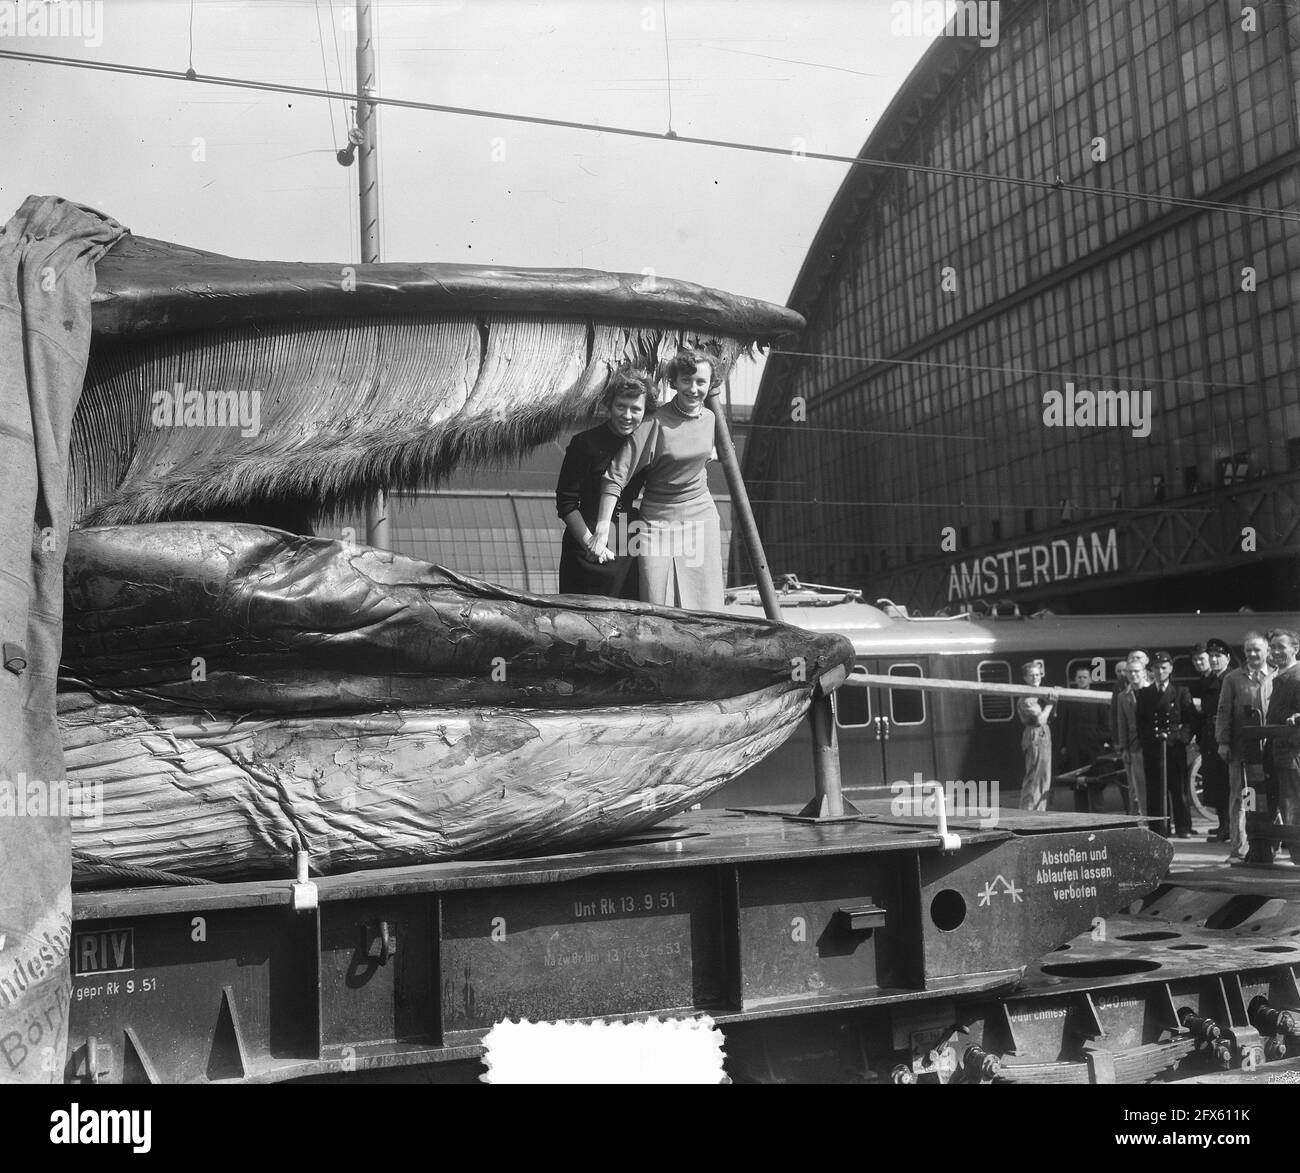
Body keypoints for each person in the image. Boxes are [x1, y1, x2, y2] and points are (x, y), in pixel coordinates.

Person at [593, 348, 724, 611]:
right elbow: (615, 477)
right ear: (675, 381)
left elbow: (708, 458)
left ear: (711, 385)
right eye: (686, 380)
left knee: (703, 601)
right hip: (657, 521)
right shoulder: (654, 423)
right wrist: (602, 528)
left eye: (701, 382)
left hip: (700, 515)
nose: (693, 388)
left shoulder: (711, 418)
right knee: (656, 597)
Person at [555, 370, 656, 598]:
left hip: (628, 539)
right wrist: (589, 542)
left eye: (635, 409)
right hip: (585, 541)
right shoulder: (584, 443)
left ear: (645, 412)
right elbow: (566, 503)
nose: (627, 415)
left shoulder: (645, 445)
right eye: (621, 406)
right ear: (609, 405)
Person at [1215, 632, 1273, 863]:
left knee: (1268, 799)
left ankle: (1269, 847)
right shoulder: (1233, 679)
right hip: (1242, 751)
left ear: (1267, 652)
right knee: (1242, 798)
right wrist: (1223, 741)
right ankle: (1239, 848)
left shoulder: (1276, 675)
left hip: (1271, 749)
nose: (1252, 654)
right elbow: (1223, 711)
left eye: (1257, 650)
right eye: (1248, 650)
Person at [1137, 650, 1196, 838]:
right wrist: (1148, 740)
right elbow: (1141, 722)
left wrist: (1181, 738)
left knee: (1178, 789)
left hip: (1174, 748)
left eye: (1164, 668)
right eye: (1156, 668)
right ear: (1151, 670)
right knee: (1154, 789)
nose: (1160, 671)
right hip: (1153, 749)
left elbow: (1190, 720)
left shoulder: (1180, 692)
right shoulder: (1145, 693)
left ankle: (1183, 827)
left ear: (1170, 669)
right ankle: (1159, 828)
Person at [1263, 629, 1300, 865]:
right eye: (1273, 647)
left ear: (1295, 648)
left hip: (1292, 751)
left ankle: (1298, 857)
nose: (1276, 652)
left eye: (1281, 647)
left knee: (1293, 804)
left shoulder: (1297, 677)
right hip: (1275, 749)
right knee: (1280, 803)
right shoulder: (1278, 677)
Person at [1190, 638, 1232, 842]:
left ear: (1227, 658)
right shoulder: (1208, 681)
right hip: (1209, 737)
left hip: (1224, 737)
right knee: (1215, 782)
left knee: (1227, 783)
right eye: (1212, 656)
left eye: (1218, 656)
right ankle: (1223, 824)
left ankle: (1230, 827)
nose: (1214, 660)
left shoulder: (1230, 679)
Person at [1017, 659, 1057, 811]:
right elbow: (1041, 719)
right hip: (1035, 735)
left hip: (1043, 735)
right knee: (1034, 778)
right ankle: (1027, 813)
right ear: (1025, 678)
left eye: (1038, 675)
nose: (1036, 678)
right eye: (1032, 675)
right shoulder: (1026, 699)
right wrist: (1051, 703)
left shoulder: (1038, 695)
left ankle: (1039, 811)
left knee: (1044, 778)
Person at [1116, 654, 1148, 816]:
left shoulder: (1152, 691)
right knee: (1135, 788)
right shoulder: (1123, 697)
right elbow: (1122, 724)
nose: (1133, 675)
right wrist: (1124, 748)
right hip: (1134, 747)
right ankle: (1137, 821)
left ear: (1144, 672)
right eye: (1129, 672)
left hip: (1152, 747)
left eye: (1136, 671)